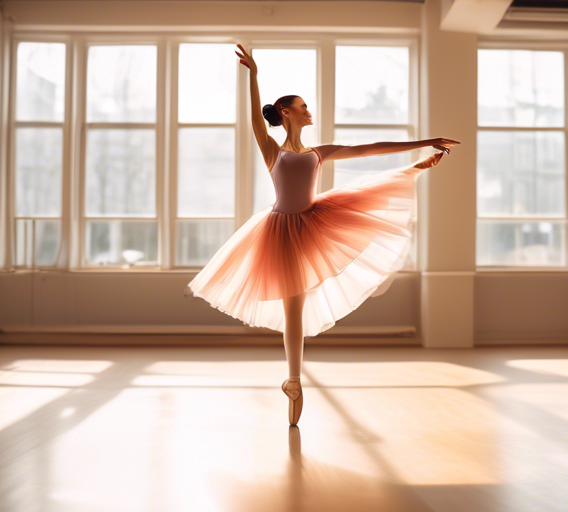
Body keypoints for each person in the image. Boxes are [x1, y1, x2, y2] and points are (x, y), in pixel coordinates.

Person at [185, 44, 458, 426]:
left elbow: (370, 150)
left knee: (297, 308)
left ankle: (292, 379)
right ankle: (294, 381)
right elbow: (253, 119)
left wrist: (423, 144)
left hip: (314, 223)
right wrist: (254, 75)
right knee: (292, 309)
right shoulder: (272, 151)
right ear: (286, 112)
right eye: (303, 106)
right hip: (281, 231)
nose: (309, 111)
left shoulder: (318, 153)